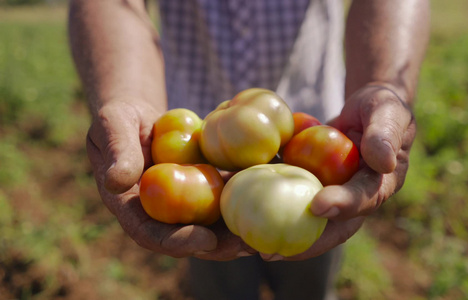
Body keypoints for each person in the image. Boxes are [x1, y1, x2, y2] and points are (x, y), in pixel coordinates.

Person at [68, 0, 430, 299]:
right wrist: (126, 94)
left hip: (323, 131)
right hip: (190, 143)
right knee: (217, 283)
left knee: (310, 286)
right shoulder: (183, 144)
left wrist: (381, 82)